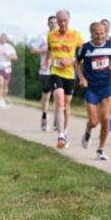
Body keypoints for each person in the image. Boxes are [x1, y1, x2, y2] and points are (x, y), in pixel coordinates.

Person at [76, 21, 111, 161]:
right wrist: (81, 78)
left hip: (106, 85)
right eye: (96, 33)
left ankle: (101, 149)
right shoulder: (85, 47)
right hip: (91, 87)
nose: (99, 36)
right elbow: (76, 63)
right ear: (92, 33)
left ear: (105, 33)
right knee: (94, 121)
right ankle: (88, 131)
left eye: (102, 33)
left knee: (105, 118)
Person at [45, 10, 85, 149]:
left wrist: (72, 60)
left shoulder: (76, 35)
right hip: (56, 72)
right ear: (56, 20)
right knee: (59, 97)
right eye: (60, 20)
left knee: (66, 104)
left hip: (70, 74)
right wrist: (46, 62)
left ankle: (65, 131)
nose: (62, 23)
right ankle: (60, 135)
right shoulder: (51, 35)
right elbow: (49, 49)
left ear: (69, 20)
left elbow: (83, 53)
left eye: (65, 21)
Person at [30, 16, 57, 131]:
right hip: (45, 69)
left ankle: (57, 119)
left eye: (55, 22)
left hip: (59, 69)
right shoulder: (42, 36)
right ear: (48, 24)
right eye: (51, 22)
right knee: (46, 96)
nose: (54, 24)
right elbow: (33, 50)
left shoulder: (63, 36)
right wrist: (47, 50)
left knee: (58, 95)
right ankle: (44, 117)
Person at [0, 33, 17, 107]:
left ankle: (3, 99)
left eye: (4, 38)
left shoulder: (10, 47)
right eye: (1, 38)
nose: (2, 39)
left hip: (7, 67)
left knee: (5, 85)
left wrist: (8, 55)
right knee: (0, 82)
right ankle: (0, 99)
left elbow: (15, 57)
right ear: (0, 38)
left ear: (6, 39)